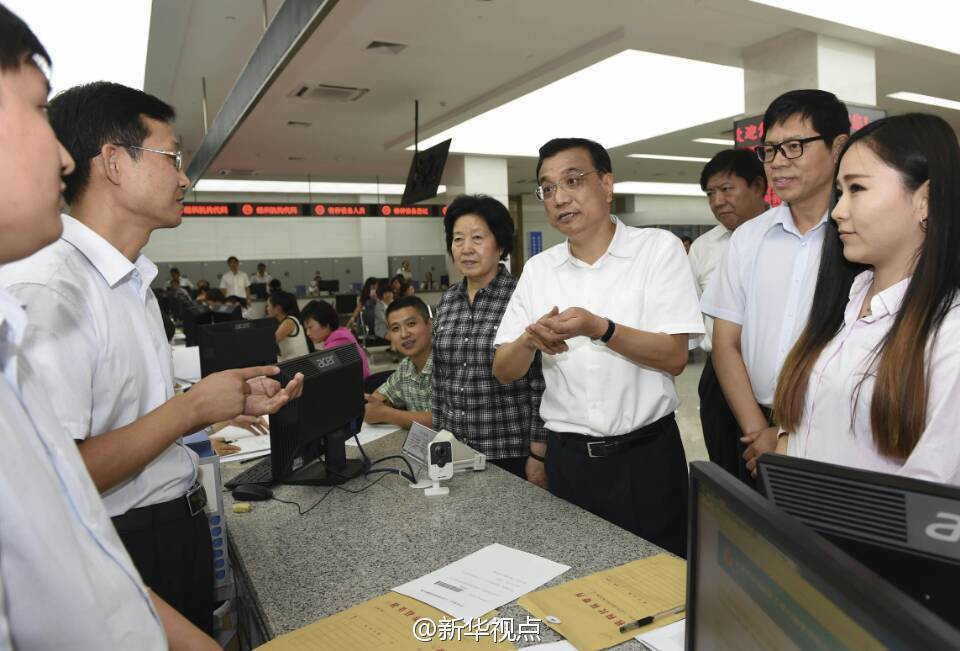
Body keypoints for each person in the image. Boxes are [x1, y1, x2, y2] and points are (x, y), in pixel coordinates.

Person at [0, 8, 299, 647]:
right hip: (128, 537)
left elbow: (127, 416)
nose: (185, 177)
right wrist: (192, 409)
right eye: (172, 157)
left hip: (170, 528)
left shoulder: (132, 280)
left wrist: (221, 401)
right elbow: (61, 477)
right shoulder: (48, 290)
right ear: (113, 161)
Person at [493, 138, 703, 556]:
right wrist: (529, 339)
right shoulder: (538, 269)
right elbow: (503, 369)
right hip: (568, 461)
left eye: (572, 180)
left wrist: (600, 328)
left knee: (659, 579)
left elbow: (675, 356)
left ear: (607, 185)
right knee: (578, 577)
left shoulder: (656, 250)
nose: (559, 197)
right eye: (547, 188)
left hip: (646, 459)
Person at [774, 113, 960, 482]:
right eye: (839, 192)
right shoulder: (844, 302)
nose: (837, 211)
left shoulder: (949, 334)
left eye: (857, 188)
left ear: (924, 200)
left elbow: (929, 497)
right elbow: (798, 427)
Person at [701, 89, 850, 480]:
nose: (778, 162)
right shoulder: (749, 238)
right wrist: (758, 432)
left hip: (836, 433)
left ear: (838, 147)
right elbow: (725, 343)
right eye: (769, 150)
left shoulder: (858, 236)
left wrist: (785, 435)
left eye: (795, 147)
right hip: (751, 424)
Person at [433, 194, 547, 483]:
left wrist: (539, 453)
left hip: (508, 450)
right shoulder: (447, 302)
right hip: (454, 450)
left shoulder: (521, 298)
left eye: (477, 238)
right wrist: (438, 438)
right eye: (458, 239)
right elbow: (439, 380)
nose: (466, 249)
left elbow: (541, 382)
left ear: (501, 245)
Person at [690, 149, 768, 480]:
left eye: (726, 189)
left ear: (758, 186)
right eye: (710, 194)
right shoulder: (704, 248)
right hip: (719, 375)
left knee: (771, 473)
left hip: (773, 371)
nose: (717, 201)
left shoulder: (786, 237)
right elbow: (692, 315)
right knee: (726, 473)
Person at [364, 296, 434, 429]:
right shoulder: (406, 366)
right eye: (395, 328)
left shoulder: (450, 362)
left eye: (411, 324)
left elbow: (444, 420)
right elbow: (381, 395)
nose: (404, 334)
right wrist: (375, 405)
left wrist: (385, 413)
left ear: (430, 325)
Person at [302, 299, 371, 378]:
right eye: (306, 329)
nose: (308, 333)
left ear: (326, 323)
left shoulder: (338, 342)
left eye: (310, 327)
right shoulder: (342, 333)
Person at [268, 290, 310, 361]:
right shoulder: (286, 321)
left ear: (278, 308)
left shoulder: (289, 322)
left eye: (268, 305)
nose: (267, 309)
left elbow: (269, 343)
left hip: (296, 363)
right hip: (293, 361)